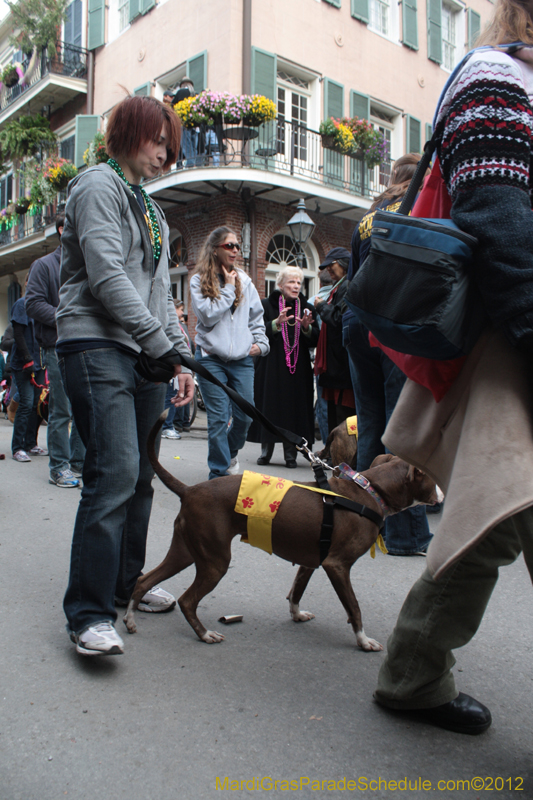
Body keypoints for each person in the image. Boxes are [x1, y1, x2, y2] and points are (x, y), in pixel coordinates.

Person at [373, 0, 533, 734]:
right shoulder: (496, 77)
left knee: (494, 511)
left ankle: (411, 672)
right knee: (498, 503)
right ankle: (410, 675)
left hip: (509, 335)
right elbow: (498, 218)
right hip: (513, 336)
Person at [56, 94, 194, 657]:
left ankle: (124, 584)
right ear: (128, 132)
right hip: (95, 343)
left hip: (144, 355)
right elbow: (107, 275)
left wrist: (182, 360)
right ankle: (87, 613)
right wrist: (161, 344)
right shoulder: (97, 185)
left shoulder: (153, 212)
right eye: (157, 139)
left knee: (141, 476)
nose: (165, 153)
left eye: (171, 146)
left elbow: (161, 295)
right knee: (113, 472)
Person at [344, 155, 432, 556]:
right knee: (402, 429)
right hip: (393, 324)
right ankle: (406, 535)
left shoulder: (371, 214)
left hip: (355, 322)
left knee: (370, 425)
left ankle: (362, 524)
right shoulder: (418, 205)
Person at [190, 226, 269, 479]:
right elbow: (207, 315)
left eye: (237, 245)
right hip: (210, 358)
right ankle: (219, 475)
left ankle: (230, 451)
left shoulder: (245, 281)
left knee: (246, 415)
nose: (235, 250)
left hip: (242, 360)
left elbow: (257, 318)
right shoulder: (198, 280)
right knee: (218, 419)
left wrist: (262, 343)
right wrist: (228, 288)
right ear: (215, 249)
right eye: (229, 245)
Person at [25, 213, 85, 488]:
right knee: (62, 410)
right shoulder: (44, 265)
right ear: (63, 230)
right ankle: (58, 467)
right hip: (57, 347)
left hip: (86, 346)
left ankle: (79, 464)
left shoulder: (84, 264)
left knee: (84, 409)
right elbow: (33, 304)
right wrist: (67, 316)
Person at [247, 265, 319, 467]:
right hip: (271, 367)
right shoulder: (265, 305)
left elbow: (316, 339)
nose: (296, 286)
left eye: (299, 282)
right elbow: (256, 333)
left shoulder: (307, 308)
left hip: (297, 370)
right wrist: (275, 324)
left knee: (293, 410)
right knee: (269, 407)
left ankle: (291, 455)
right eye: (291, 282)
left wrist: (306, 328)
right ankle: (266, 451)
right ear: (280, 285)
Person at [314, 248, 355, 432]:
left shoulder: (347, 285)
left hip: (340, 366)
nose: (328, 269)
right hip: (335, 366)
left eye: (332, 265)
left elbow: (338, 319)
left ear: (344, 264)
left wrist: (321, 306)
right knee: (334, 416)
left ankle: (342, 458)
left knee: (342, 420)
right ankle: (334, 456)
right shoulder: (339, 286)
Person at [9, 275, 47, 462]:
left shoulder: (39, 305)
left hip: (39, 363)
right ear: (26, 283)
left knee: (36, 405)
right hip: (23, 363)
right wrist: (26, 359)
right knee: (26, 403)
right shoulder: (21, 304)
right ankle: (18, 447)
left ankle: (31, 443)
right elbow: (18, 333)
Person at [161, 300, 192, 439]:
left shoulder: (179, 326)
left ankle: (169, 425)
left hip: (179, 365)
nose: (182, 313)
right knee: (171, 397)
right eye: (180, 309)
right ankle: (166, 426)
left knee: (174, 395)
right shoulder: (171, 324)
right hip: (172, 366)